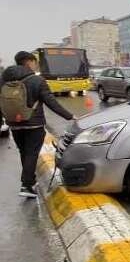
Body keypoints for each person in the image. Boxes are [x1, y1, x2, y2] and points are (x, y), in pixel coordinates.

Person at [0, 51, 74, 197]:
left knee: (24, 152)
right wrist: (70, 116)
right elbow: (51, 102)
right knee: (32, 153)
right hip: (34, 125)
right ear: (29, 62)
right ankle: (26, 186)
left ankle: (30, 181)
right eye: (35, 62)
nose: (35, 65)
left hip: (14, 123)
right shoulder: (37, 80)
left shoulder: (3, 80)